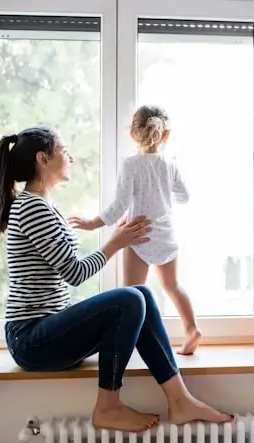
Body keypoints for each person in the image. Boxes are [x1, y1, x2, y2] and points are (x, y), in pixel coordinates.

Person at [0, 126, 233, 433]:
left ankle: (179, 399)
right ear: (43, 159)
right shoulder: (33, 208)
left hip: (47, 331)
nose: (70, 157)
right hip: (30, 340)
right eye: (64, 151)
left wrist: (117, 237)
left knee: (141, 293)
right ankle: (108, 406)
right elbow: (74, 272)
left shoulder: (46, 206)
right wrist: (116, 242)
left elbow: (65, 266)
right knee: (130, 298)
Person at [70, 105, 201, 355]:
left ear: (133, 134)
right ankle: (192, 329)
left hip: (138, 235)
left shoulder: (131, 165)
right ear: (166, 135)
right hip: (166, 234)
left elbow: (119, 206)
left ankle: (130, 343)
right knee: (172, 286)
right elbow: (184, 196)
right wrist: (162, 195)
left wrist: (91, 223)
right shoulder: (169, 165)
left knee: (131, 295)